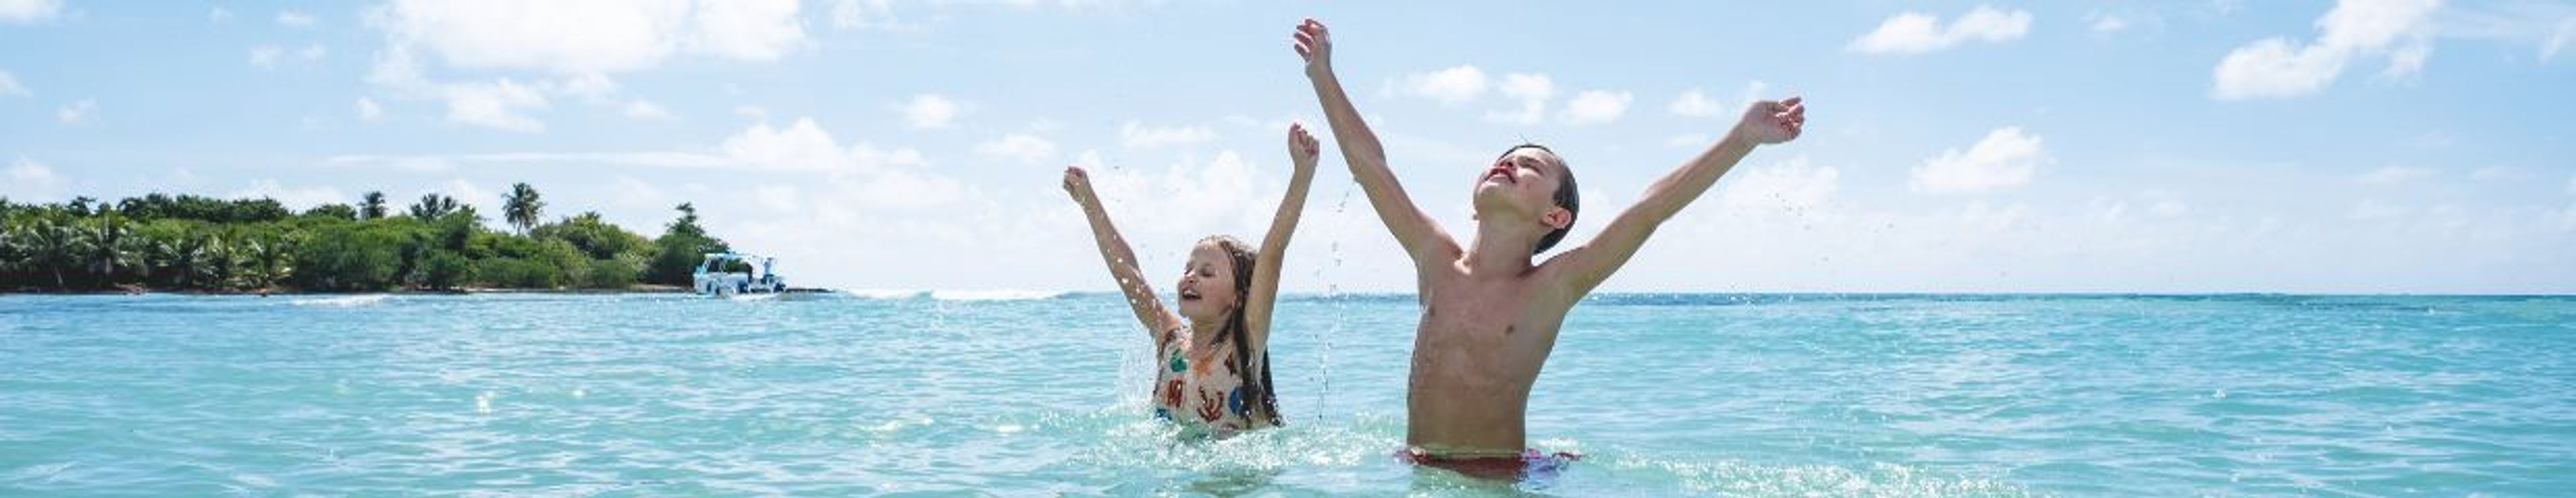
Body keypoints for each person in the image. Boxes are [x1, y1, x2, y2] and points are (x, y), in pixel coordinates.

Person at [1289, 17, 1808, 472]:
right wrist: (1323, 76)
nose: (1508, 163)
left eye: (1530, 165)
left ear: (1554, 215)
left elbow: (1651, 211)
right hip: (1419, 466)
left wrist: (1741, 139)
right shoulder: (1435, 257)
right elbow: (1371, 166)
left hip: (1499, 474)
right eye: (1505, 158)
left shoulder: (1552, 286)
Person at [1061, 123, 1325, 437]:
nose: (1191, 278)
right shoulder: (1169, 341)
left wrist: (1302, 174)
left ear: (1239, 296)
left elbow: (1272, 254)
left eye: (1207, 272)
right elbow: (1127, 271)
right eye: (1188, 269)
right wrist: (1089, 202)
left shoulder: (1245, 343)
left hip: (1232, 480)